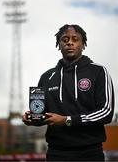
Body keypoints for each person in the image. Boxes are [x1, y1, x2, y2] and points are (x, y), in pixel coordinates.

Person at [22, 24, 114, 161]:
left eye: (75, 39)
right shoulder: (47, 76)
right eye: (64, 39)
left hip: (90, 153)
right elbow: (43, 114)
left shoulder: (99, 72)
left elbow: (106, 112)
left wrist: (67, 120)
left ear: (83, 44)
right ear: (59, 45)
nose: (69, 42)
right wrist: (34, 119)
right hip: (56, 152)